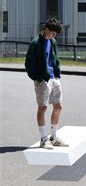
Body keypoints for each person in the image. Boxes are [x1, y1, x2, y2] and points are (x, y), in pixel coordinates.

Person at [25, 18, 68, 149]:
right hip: (42, 79)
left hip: (53, 77)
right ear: (47, 29)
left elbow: (54, 59)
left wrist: (56, 73)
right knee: (42, 108)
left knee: (58, 106)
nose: (54, 36)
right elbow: (28, 64)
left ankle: (53, 137)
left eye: (56, 34)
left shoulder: (53, 41)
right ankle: (44, 139)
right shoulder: (36, 43)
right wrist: (38, 78)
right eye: (53, 33)